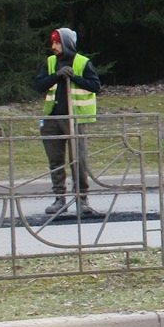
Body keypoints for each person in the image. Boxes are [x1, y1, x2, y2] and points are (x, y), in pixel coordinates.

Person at [32, 28, 102, 216]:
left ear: (66, 43)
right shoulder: (50, 62)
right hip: (52, 119)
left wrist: (74, 78)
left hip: (75, 119)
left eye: (57, 42)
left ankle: (82, 199)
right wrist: (57, 75)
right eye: (53, 42)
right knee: (56, 161)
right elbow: (39, 85)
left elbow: (95, 86)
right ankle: (60, 199)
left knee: (78, 160)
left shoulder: (83, 63)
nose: (53, 46)